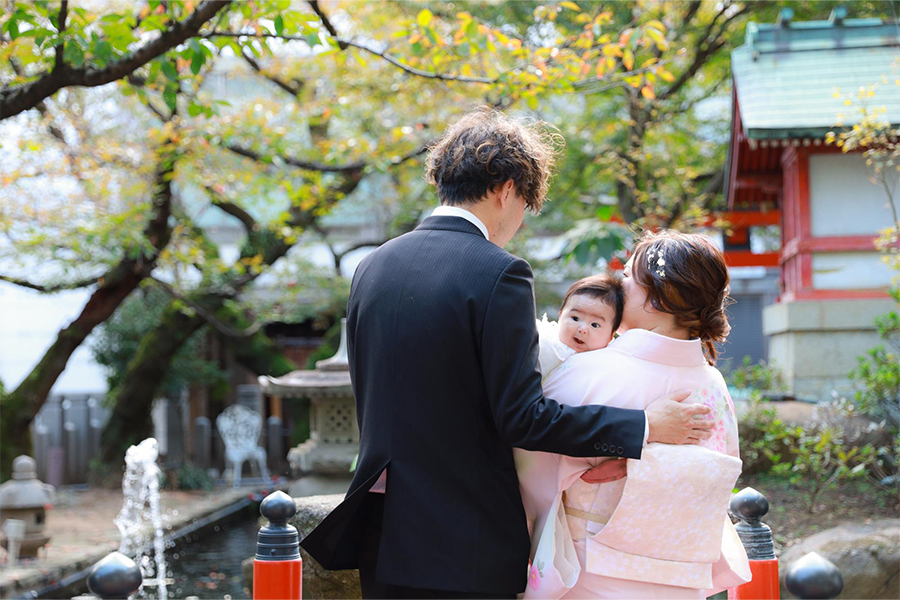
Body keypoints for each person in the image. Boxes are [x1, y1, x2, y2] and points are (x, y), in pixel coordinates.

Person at [299, 109, 715, 599]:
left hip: (382, 528)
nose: (518, 221)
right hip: (466, 539)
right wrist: (643, 426)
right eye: (525, 206)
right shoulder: (499, 273)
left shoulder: (373, 266)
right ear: (507, 189)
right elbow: (523, 419)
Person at [518, 230, 752, 599]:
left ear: (659, 298)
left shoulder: (586, 371)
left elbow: (532, 472)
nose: (619, 285)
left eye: (628, 276)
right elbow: (720, 476)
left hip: (591, 574)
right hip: (681, 578)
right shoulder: (714, 385)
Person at [536, 274, 624, 380]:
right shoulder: (542, 347)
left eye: (595, 325)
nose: (582, 329)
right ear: (560, 315)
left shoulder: (606, 367)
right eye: (575, 318)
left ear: (610, 336)